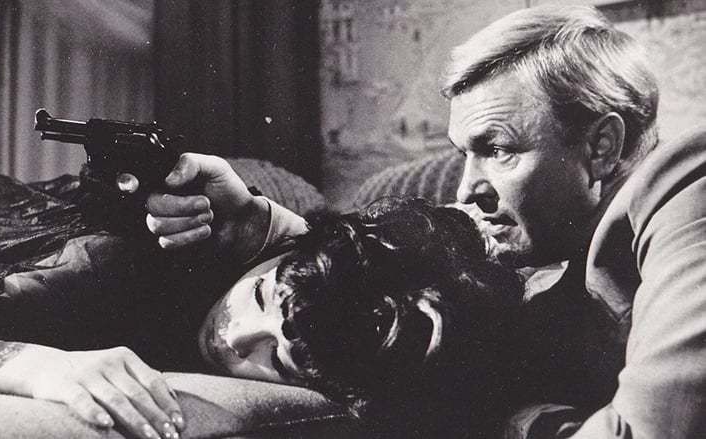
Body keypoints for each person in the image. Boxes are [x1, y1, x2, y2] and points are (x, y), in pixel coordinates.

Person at [144, 5, 706, 438]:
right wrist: (258, 224)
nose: (466, 190)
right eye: (464, 154)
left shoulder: (686, 189)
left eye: (498, 150)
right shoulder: (554, 259)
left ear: (602, 147)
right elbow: (376, 273)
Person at [0, 176, 522, 439]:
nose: (235, 337)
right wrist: (38, 366)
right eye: (259, 296)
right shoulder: (108, 263)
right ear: (281, 251)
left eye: (275, 357)